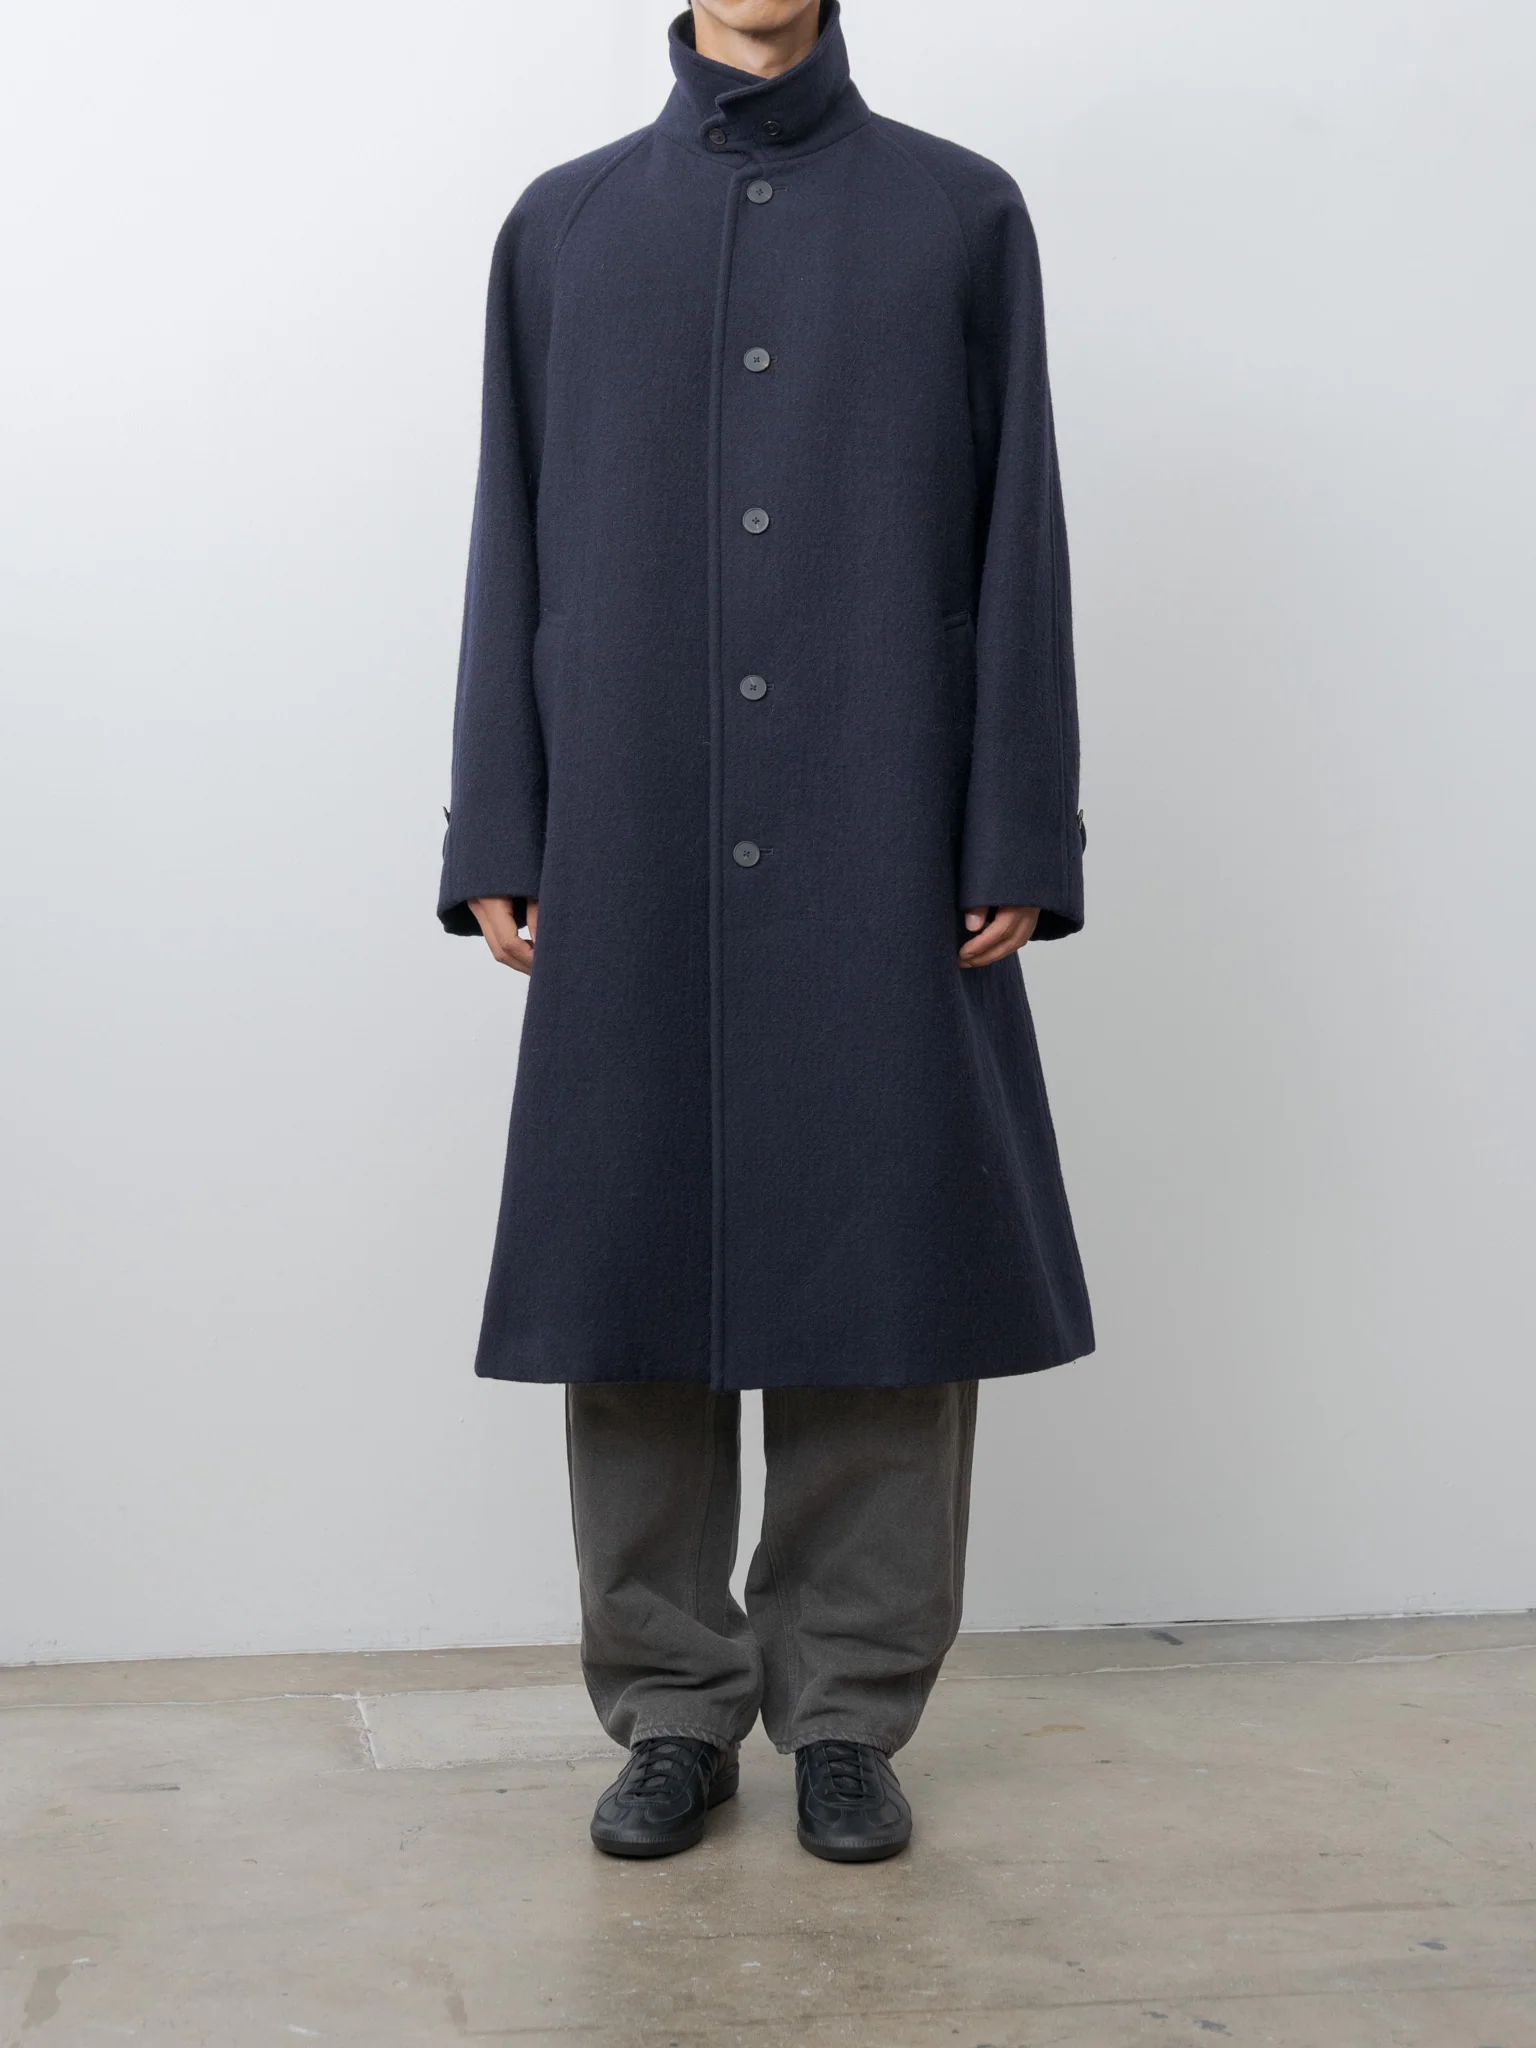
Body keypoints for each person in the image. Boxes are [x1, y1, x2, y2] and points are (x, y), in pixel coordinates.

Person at [438, 0, 1092, 1862]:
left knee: (886, 1282)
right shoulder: (563, 226)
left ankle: (850, 1716)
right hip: (630, 816)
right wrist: (501, 822)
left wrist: (1015, 823)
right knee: (625, 1275)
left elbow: (1019, 535)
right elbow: (511, 531)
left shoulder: (959, 213)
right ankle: (669, 1705)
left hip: (881, 811)